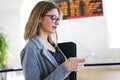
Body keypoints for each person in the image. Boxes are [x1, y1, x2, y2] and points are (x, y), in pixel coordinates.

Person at [20, 1, 85, 80]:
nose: (57, 22)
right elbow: (62, 70)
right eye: (53, 18)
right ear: (39, 18)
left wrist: (71, 68)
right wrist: (65, 68)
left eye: (58, 19)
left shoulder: (52, 44)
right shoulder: (31, 48)